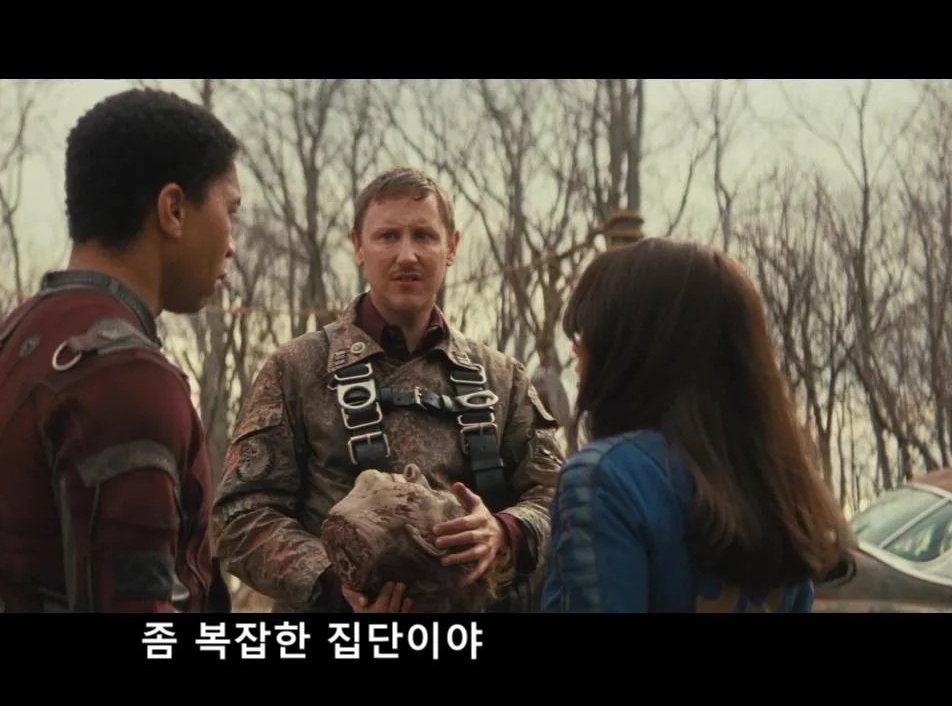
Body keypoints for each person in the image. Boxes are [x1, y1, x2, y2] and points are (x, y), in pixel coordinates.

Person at [212, 166, 565, 613]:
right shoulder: (296, 370)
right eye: (387, 236)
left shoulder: (503, 379)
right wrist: (336, 581)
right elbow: (241, 517)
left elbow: (560, 500)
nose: (407, 255)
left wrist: (505, 532)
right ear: (358, 246)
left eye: (424, 236)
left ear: (451, 246)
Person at [0, 88, 243, 613]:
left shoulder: (9, 343)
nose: (233, 243)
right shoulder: (126, 376)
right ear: (174, 209)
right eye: (230, 210)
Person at [541, 237, 853, 612]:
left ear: (636, 348)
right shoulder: (778, 485)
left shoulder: (605, 479)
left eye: (590, 331)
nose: (576, 348)